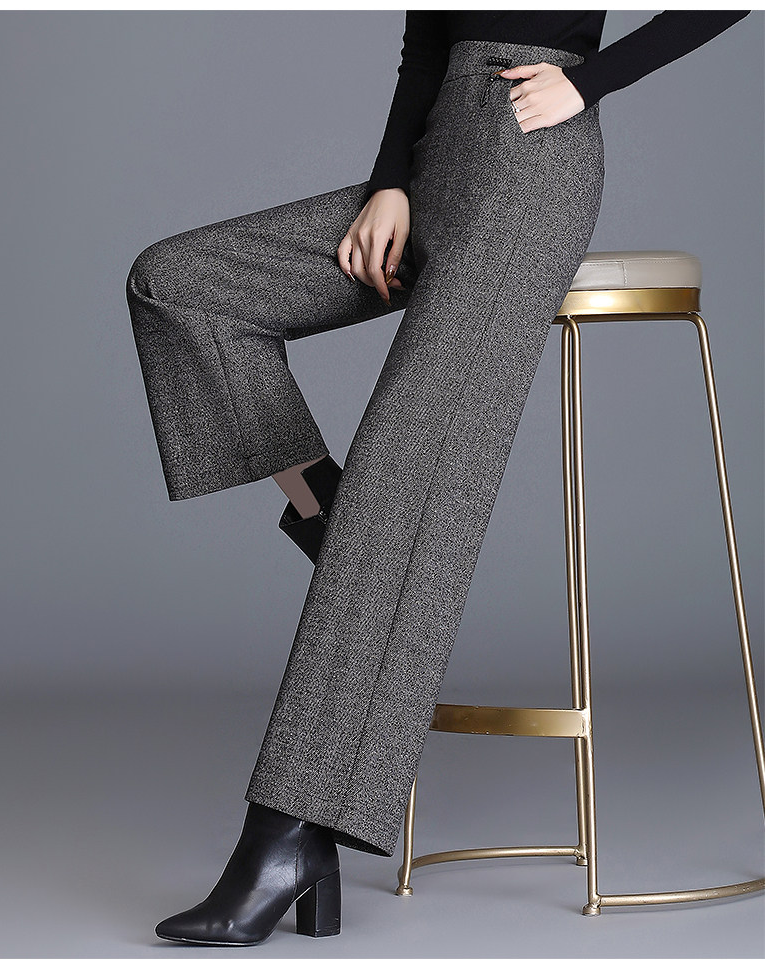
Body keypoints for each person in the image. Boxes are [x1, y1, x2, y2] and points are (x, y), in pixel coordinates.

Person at [125, 9, 750, 947]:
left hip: (531, 169)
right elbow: (425, 41)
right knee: (180, 282)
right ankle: (337, 521)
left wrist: (591, 81)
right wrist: (390, 182)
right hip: (436, 158)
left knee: (401, 482)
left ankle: (287, 839)